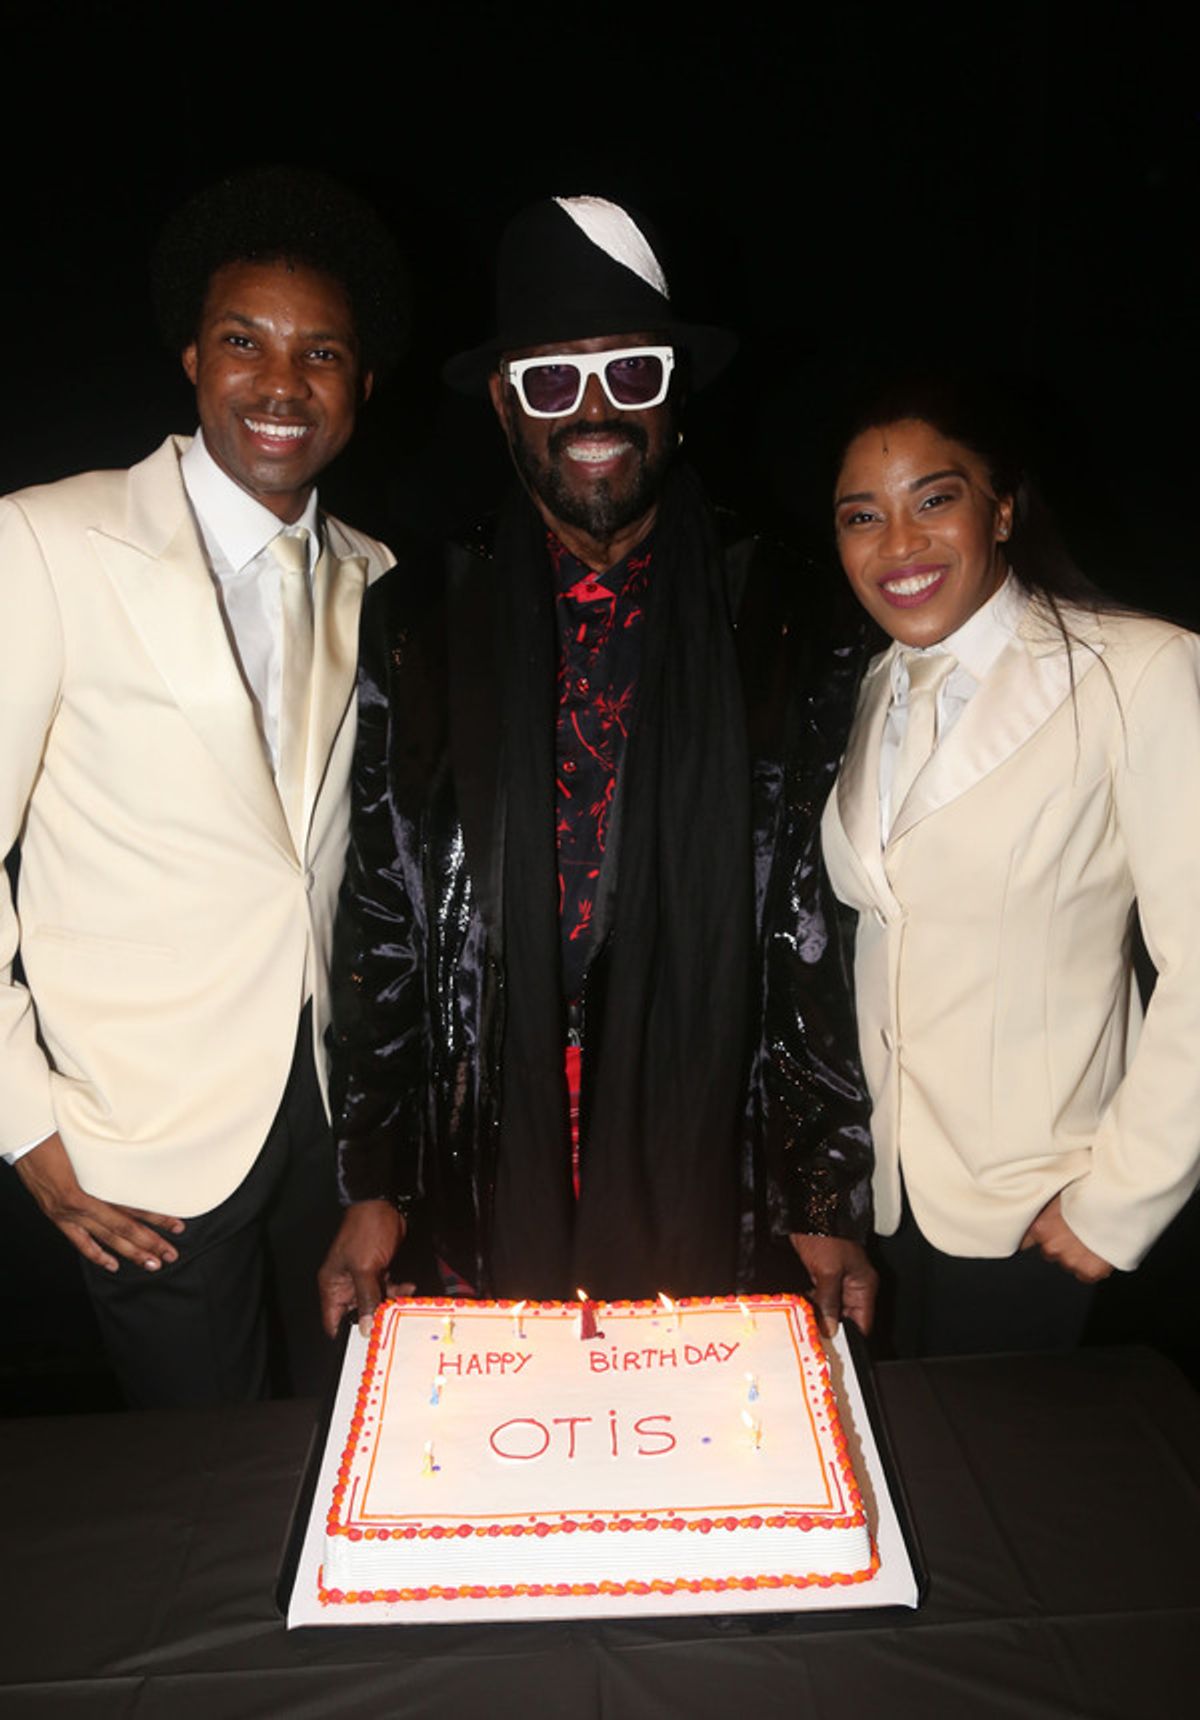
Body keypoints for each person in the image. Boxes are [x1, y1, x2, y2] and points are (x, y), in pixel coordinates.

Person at [318, 195, 876, 1339]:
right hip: (486, 1145)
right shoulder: (420, 614)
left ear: (674, 391)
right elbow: (382, 906)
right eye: (553, 380)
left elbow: (811, 921)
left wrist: (824, 1186)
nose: (594, 413)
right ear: (503, 401)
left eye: (628, 373)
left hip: (714, 1144)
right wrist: (374, 1177)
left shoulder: (783, 609)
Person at [0, 167, 402, 1406]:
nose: (283, 384)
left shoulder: (378, 578)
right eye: (245, 342)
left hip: (328, 1134)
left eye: (321, 353)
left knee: (336, 1463)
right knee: (198, 1507)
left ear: (362, 386)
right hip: (138, 1141)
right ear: (191, 356)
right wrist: (24, 1126)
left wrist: (385, 1155)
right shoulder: (47, 541)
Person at [820, 376, 1200, 1356]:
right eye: (863, 515)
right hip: (890, 1220)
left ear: (1000, 507)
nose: (897, 543)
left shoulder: (1141, 671)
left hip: (1046, 1223)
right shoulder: (868, 691)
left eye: (933, 499)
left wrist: (1115, 1206)